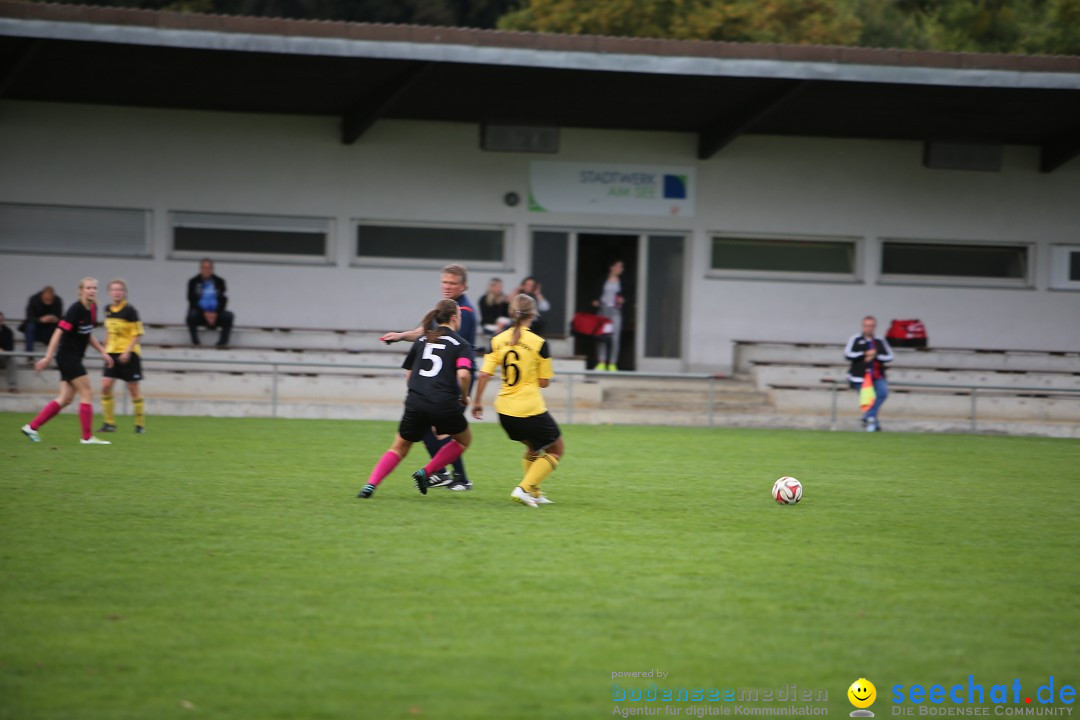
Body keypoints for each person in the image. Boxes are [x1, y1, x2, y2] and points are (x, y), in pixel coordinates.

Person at [358, 299, 473, 499]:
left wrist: (418, 395)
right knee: (463, 440)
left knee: (399, 447)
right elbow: (463, 375)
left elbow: (410, 375)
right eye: (460, 316)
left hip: (416, 401)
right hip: (443, 403)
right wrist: (464, 397)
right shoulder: (461, 345)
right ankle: (427, 472)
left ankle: (370, 485)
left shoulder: (422, 340)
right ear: (454, 318)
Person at [379, 263, 477, 491]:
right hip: (442, 379)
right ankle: (447, 474)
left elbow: (445, 342)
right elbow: (426, 332)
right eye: (444, 282)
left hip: (453, 378)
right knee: (432, 426)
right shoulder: (444, 309)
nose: (447, 286)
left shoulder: (464, 313)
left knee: (436, 427)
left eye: (452, 283)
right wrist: (401, 336)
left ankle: (455, 476)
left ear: (464, 286)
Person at [472, 294, 564, 508]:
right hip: (529, 409)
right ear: (533, 314)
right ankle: (523, 489)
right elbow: (543, 382)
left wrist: (476, 402)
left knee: (533, 448)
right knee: (556, 449)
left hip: (504, 411)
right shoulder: (539, 343)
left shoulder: (496, 340)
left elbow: (484, 374)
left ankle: (534, 492)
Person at [20, 277, 115, 445]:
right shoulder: (75, 309)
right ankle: (87, 437)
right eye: (88, 288)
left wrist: (102, 351)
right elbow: (58, 332)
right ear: (81, 290)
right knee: (87, 392)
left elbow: (88, 333)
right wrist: (48, 356)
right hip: (67, 357)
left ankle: (32, 427)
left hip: (73, 357)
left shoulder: (92, 308)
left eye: (94, 288)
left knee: (66, 398)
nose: (92, 290)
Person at [99, 279, 146, 434]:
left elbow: (137, 333)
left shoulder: (130, 310)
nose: (117, 292)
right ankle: (109, 423)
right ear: (109, 292)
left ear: (124, 292)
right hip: (112, 353)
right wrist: (104, 349)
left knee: (133, 389)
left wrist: (127, 351)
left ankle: (139, 425)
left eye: (120, 289)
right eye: (113, 289)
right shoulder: (107, 310)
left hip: (129, 354)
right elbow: (108, 331)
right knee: (105, 386)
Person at [844, 315, 895, 432]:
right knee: (868, 400)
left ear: (874, 327)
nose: (869, 328)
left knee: (883, 393)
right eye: (866, 326)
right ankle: (873, 425)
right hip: (860, 377)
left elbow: (890, 356)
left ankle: (868, 418)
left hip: (877, 375)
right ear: (863, 326)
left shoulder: (880, 340)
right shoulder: (855, 339)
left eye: (871, 326)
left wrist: (875, 355)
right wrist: (864, 354)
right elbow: (847, 355)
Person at [186, 258, 234, 347]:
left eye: (208, 268)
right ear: (200, 269)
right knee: (191, 315)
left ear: (212, 269)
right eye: (204, 268)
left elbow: (223, 300)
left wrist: (216, 313)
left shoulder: (220, 282)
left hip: (216, 315)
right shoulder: (193, 282)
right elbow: (191, 300)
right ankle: (195, 342)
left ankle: (222, 343)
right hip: (200, 314)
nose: (206, 270)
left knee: (229, 316)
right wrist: (205, 313)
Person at [592, 260, 625, 371]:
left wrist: (623, 300)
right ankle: (601, 361)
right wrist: (596, 301)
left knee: (615, 338)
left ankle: (612, 363)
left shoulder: (622, 281)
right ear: (612, 267)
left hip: (615, 311)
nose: (621, 269)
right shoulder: (602, 279)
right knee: (602, 336)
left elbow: (627, 295)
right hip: (603, 310)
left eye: (621, 267)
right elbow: (596, 294)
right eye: (618, 266)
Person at [21, 285, 63, 353]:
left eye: (50, 300)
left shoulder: (57, 300)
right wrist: (40, 320)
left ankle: (58, 353)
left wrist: (56, 320)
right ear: (42, 295)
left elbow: (60, 316)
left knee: (63, 326)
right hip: (36, 327)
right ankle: (29, 354)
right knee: (30, 326)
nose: (48, 301)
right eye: (46, 299)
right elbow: (29, 317)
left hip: (51, 327)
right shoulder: (34, 299)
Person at [0, 312, 17, 393]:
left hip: (3, 357)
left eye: (1, 320)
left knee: (11, 360)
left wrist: (3, 351)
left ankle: (12, 386)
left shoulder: (8, 332)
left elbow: (10, 348)